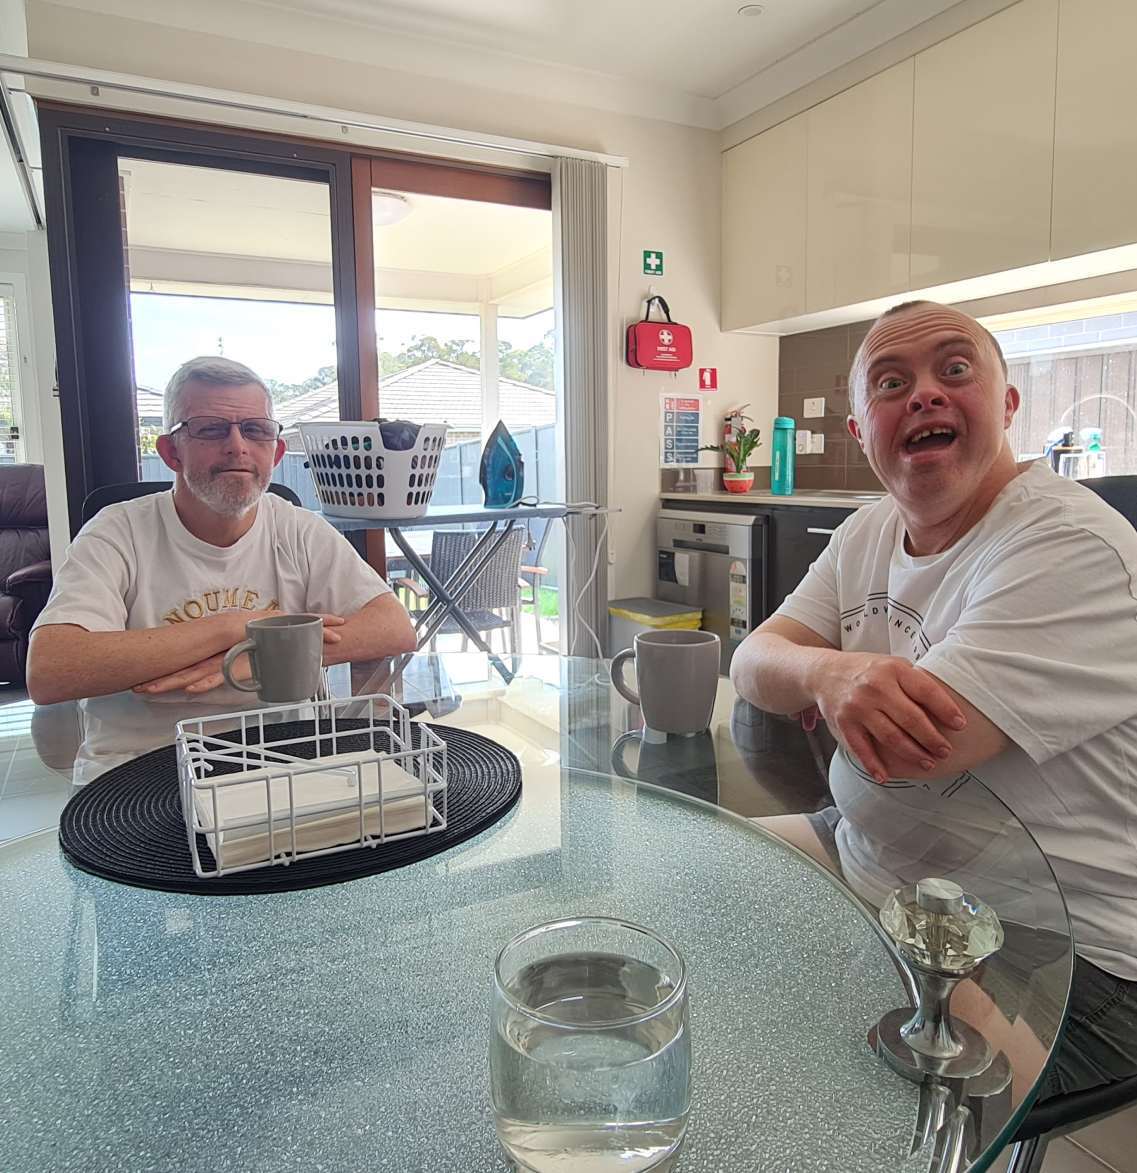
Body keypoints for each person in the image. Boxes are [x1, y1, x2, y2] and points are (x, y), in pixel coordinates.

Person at [731, 300, 1137, 1099]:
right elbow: (753, 658)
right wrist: (827, 675)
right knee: (702, 880)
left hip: (1058, 944)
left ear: (1008, 403)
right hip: (878, 859)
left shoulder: (1065, 545)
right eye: (891, 382)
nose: (923, 393)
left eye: (954, 370)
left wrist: (820, 670)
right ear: (860, 431)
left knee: (821, 1084)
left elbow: (909, 752)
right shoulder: (868, 529)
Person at [27, 357, 417, 783]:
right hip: (136, 770)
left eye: (255, 430)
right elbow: (51, 670)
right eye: (211, 429)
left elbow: (393, 628)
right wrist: (233, 629)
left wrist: (258, 658)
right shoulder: (116, 531)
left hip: (285, 760)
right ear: (171, 452)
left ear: (277, 451)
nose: (237, 446)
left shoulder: (300, 530)